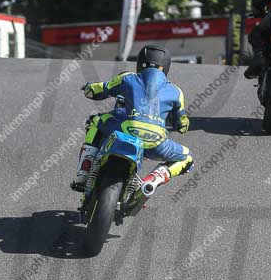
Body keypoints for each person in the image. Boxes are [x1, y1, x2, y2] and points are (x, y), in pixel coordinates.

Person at [71, 45, 193, 192]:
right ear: (166, 67)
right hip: (156, 142)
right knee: (187, 157)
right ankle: (151, 182)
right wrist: (179, 125)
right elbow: (182, 123)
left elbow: (100, 89)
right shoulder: (176, 91)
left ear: (140, 63)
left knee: (95, 121)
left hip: (124, 130)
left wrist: (88, 89)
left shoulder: (127, 78)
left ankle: (84, 172)